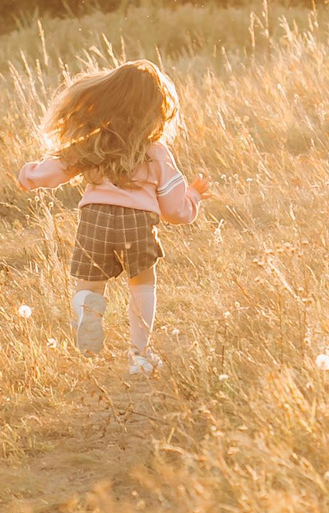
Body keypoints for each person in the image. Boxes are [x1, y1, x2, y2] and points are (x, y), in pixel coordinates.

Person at [16, 60, 204, 374]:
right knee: (142, 284)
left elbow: (55, 169)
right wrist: (193, 198)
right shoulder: (155, 151)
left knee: (90, 282)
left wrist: (29, 176)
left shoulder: (93, 143)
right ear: (156, 109)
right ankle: (139, 355)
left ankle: (87, 310)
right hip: (137, 223)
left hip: (95, 219)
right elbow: (173, 209)